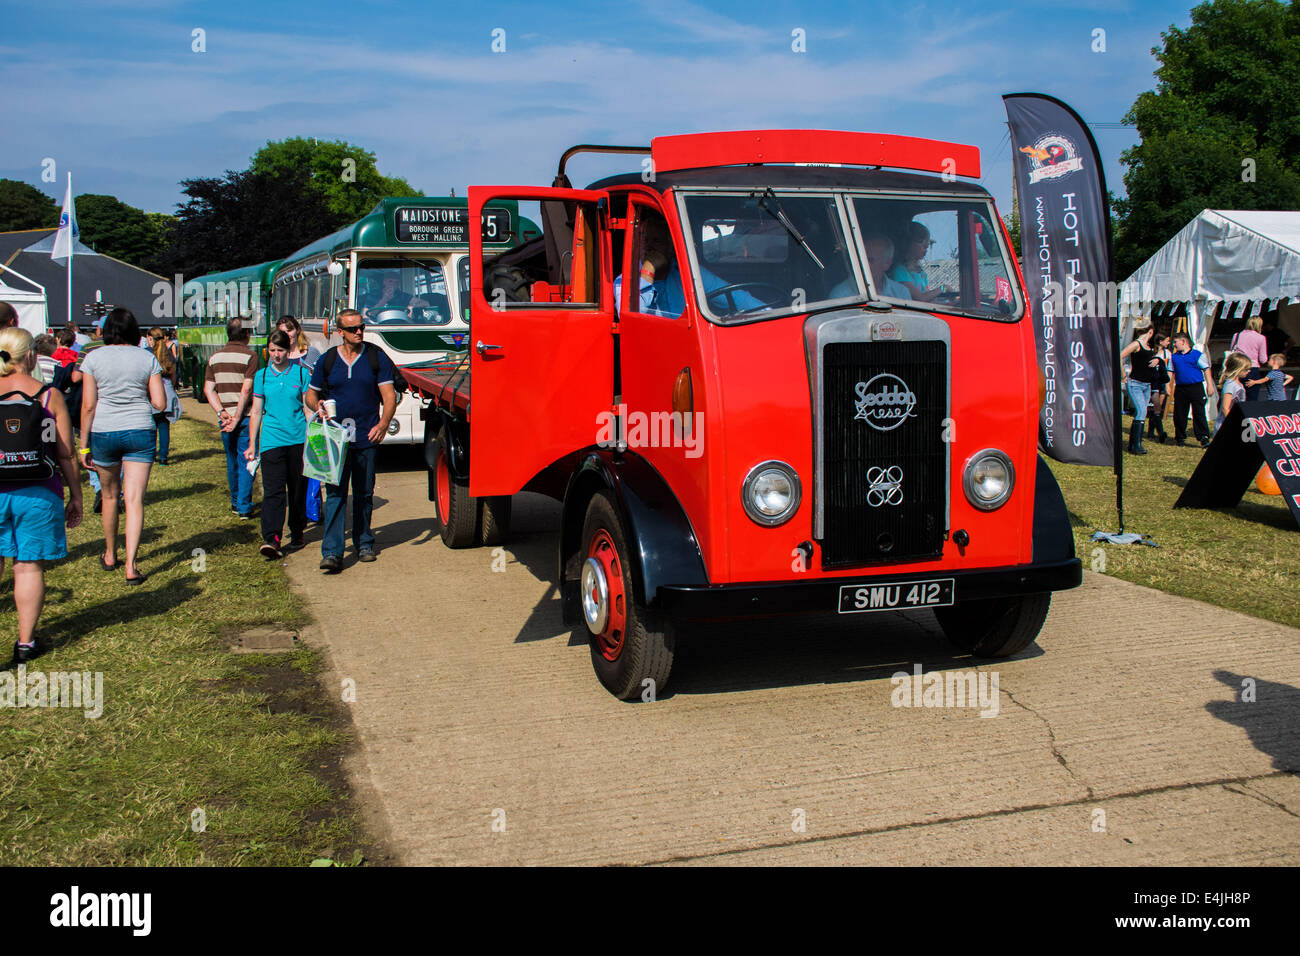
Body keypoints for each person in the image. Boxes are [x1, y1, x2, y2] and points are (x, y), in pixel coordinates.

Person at [0, 329, 82, 662]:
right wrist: (76, 495)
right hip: (38, 489)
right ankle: (25, 643)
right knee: (28, 566)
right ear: (31, 356)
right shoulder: (49, 397)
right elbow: (65, 453)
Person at [305, 309, 397, 572]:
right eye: (353, 329)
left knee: (364, 493)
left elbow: (388, 396)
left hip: (366, 435)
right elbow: (310, 396)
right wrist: (318, 405)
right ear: (340, 332)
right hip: (335, 439)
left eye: (361, 327)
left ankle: (364, 542)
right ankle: (332, 552)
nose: (359, 332)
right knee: (334, 494)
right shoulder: (327, 360)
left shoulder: (375, 357)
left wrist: (383, 424)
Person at [79, 308, 166, 584]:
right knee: (134, 500)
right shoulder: (146, 357)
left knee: (109, 497)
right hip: (140, 430)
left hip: (104, 431)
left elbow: (89, 405)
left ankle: (109, 553)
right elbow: (160, 403)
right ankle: (131, 565)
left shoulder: (93, 358)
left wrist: (83, 445)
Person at [245, 330, 311, 559]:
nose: (276, 355)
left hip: (298, 439)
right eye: (272, 350)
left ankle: (297, 530)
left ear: (288, 350)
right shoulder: (262, 376)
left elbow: (307, 407)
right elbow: (255, 411)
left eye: (280, 350)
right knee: (273, 491)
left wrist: (314, 435)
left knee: (297, 488)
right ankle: (272, 537)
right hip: (272, 440)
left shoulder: (302, 375)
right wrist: (253, 443)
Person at [203, 317, 259, 518]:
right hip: (244, 417)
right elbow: (246, 389)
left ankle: (235, 502)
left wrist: (221, 412)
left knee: (231, 459)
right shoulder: (251, 356)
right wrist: (237, 415)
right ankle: (244, 505)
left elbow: (208, 390)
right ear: (246, 334)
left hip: (225, 419)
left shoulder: (215, 358)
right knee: (247, 459)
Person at [1169, 332, 1216, 448]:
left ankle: (1203, 437)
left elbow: (1206, 369)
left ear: (1183, 342)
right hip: (1181, 388)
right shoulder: (1174, 357)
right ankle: (1180, 436)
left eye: (1176, 342)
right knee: (1180, 413)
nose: (1174, 345)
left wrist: (1210, 385)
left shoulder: (1196, 355)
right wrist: (1167, 386)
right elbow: (1170, 371)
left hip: (1196, 387)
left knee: (1199, 412)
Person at [1120, 325, 1160, 455]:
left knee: (1142, 412)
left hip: (1146, 384)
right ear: (1151, 331)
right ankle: (1136, 444)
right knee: (1141, 411)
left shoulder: (1148, 346)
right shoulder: (1137, 344)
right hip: (1136, 383)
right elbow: (1120, 356)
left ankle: (1135, 443)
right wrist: (1123, 375)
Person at [147, 326, 182, 465]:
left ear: (150, 338)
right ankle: (163, 456)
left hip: (151, 392)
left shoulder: (147, 353)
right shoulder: (168, 353)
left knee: (150, 426)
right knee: (163, 426)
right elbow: (173, 374)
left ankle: (150, 454)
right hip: (167, 390)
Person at [887, 222, 946, 302]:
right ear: (907, 243)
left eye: (927, 244)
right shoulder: (899, 271)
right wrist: (944, 288)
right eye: (921, 241)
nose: (926, 247)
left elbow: (928, 297)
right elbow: (921, 298)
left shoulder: (921, 273)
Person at [1228, 316, 1270, 401]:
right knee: (1251, 399)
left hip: (1237, 368)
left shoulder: (1236, 335)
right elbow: (1263, 359)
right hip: (1252, 368)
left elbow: (1231, 351)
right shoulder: (1261, 337)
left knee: (1235, 396)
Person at [360, 273, 428, 320]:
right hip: (378, 325)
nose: (393, 284)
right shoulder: (374, 295)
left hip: (399, 324)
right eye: (390, 281)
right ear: (384, 282)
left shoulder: (402, 295)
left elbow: (425, 303)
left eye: (396, 282)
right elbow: (366, 315)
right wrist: (384, 300)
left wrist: (412, 306)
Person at [1146, 330, 1173, 444]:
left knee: (1157, 406)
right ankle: (1157, 431)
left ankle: (1153, 431)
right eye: (1167, 341)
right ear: (1161, 341)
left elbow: (1169, 370)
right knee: (1154, 407)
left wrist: (1168, 384)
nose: (1168, 343)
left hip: (1162, 381)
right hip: (1152, 381)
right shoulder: (1151, 352)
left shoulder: (1167, 353)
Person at [1216, 353, 1251, 432]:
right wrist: (1234, 423)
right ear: (1237, 369)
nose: (1249, 371)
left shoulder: (1239, 384)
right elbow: (1225, 408)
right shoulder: (1230, 385)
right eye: (1246, 369)